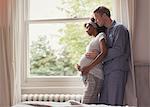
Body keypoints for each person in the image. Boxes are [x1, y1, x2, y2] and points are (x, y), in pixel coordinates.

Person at [83, 6, 130, 106]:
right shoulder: (106, 32)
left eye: (96, 18)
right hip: (106, 71)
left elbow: (119, 50)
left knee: (113, 102)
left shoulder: (119, 28)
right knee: (103, 102)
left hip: (116, 70)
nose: (95, 21)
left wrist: (99, 55)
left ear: (104, 15)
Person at [75, 18, 107, 104]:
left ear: (94, 26)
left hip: (95, 74)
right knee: (89, 102)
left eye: (88, 27)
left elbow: (104, 53)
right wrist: (80, 66)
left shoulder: (101, 35)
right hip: (89, 74)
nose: (86, 30)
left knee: (86, 102)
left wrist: (88, 67)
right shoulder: (93, 40)